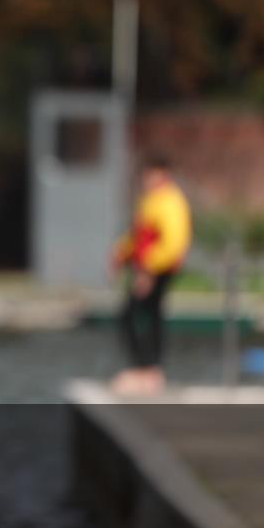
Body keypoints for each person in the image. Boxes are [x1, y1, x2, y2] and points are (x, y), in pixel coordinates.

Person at [109, 155, 191, 395]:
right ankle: (148, 369)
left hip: (157, 269)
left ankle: (146, 369)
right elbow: (140, 235)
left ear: (163, 173)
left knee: (133, 314)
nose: (146, 179)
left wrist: (149, 270)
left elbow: (173, 242)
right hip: (147, 267)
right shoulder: (151, 200)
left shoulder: (170, 201)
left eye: (151, 174)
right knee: (148, 314)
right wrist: (120, 253)